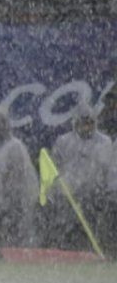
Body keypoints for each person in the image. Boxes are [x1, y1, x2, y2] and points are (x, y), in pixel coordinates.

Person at [47, 106, 113, 251]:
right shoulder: (63, 141)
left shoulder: (104, 142)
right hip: (67, 198)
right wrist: (54, 191)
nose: (86, 126)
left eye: (90, 122)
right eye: (83, 122)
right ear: (75, 123)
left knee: (91, 232)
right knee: (65, 230)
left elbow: (109, 170)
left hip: (94, 198)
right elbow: (54, 169)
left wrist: (108, 192)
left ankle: (90, 253)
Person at [0, 107, 38, 249]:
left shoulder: (15, 147)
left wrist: (7, 207)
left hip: (13, 207)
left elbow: (18, 181)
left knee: (14, 243)